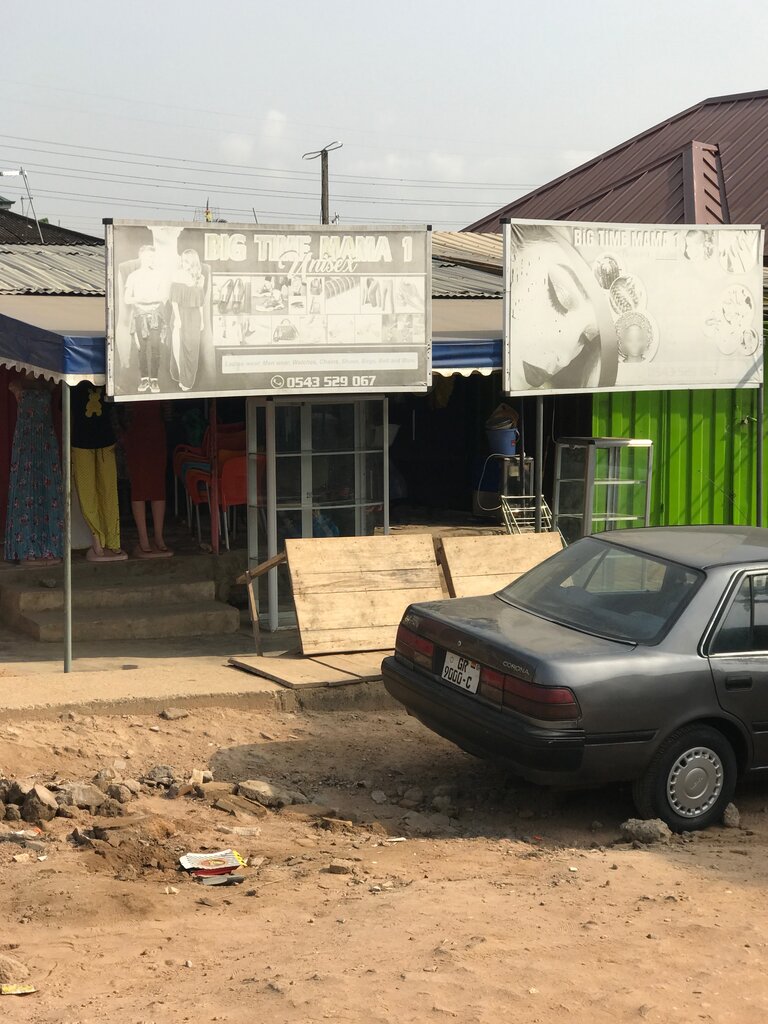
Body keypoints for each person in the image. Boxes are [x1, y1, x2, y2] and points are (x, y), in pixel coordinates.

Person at [4, 375, 63, 566]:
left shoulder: (49, 383)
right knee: (25, 492)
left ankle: (50, 548)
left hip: (46, 441)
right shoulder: (16, 384)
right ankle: (25, 549)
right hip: (25, 442)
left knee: (48, 492)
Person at [71, 382, 126, 562]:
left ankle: (113, 540)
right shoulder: (72, 381)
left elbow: (115, 406)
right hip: (80, 443)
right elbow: (66, 410)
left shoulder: (107, 378)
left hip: (106, 441)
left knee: (109, 491)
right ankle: (97, 537)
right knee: (87, 493)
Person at [121, 404, 173, 558]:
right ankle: (143, 539)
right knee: (139, 486)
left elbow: (168, 411)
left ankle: (159, 537)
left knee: (158, 486)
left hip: (157, 434)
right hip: (135, 434)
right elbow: (121, 409)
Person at [124, 246, 168, 395]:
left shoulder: (159, 275)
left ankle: (154, 379)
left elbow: (164, 296)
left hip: (155, 315)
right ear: (141, 257)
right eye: (148, 256)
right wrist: (140, 299)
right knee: (141, 349)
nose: (151, 259)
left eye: (152, 257)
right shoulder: (133, 276)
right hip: (139, 315)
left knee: (155, 347)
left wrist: (151, 299)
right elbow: (127, 298)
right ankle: (144, 379)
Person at [170, 249, 206, 392]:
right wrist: (178, 319)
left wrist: (202, 321)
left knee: (192, 350)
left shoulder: (200, 278)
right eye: (182, 261)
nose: (183, 264)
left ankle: (188, 380)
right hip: (180, 313)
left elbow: (200, 302)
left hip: (195, 316)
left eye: (186, 261)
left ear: (193, 261)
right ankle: (181, 377)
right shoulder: (177, 274)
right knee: (178, 346)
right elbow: (174, 301)